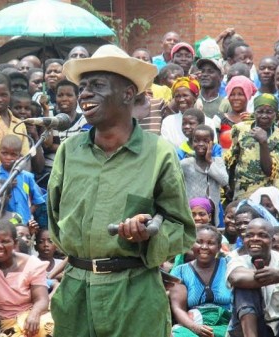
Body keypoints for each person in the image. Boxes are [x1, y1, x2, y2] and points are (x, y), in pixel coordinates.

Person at [48, 44, 195, 336]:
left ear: (128, 94)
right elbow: (54, 219)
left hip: (135, 294)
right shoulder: (69, 151)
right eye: (83, 87)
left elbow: (182, 229)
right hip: (76, 294)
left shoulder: (159, 153)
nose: (85, 94)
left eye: (97, 85)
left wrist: (150, 234)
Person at [0, 220, 53, 337]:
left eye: (5, 241)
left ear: (15, 243)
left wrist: (35, 314)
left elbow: (42, 299)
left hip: (31, 318)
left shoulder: (32, 264)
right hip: (4, 322)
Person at [169, 225, 232, 337]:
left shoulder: (229, 265)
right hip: (193, 325)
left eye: (211, 243)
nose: (204, 247)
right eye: (199, 242)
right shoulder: (181, 272)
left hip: (227, 325)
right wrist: (195, 328)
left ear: (218, 247)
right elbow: (178, 308)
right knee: (177, 333)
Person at [226, 94, 279, 201]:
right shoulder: (240, 129)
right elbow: (232, 159)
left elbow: (269, 171)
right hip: (242, 191)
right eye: (260, 111)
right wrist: (229, 186)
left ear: (276, 115)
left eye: (269, 112)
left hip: (268, 195)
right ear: (254, 112)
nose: (264, 116)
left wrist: (263, 142)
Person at [0, 135, 45, 224]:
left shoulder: (27, 177)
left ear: (20, 156)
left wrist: (27, 215)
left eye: (13, 154)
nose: (8, 157)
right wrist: (6, 187)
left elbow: (38, 200)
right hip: (2, 225)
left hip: (24, 224)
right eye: (4, 153)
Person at [181, 125, 228, 223]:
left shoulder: (217, 161)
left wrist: (210, 161)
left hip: (212, 215)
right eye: (196, 140)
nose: (200, 144)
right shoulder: (185, 164)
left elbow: (224, 181)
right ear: (192, 143)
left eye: (206, 141)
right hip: (193, 214)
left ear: (212, 143)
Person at [219, 75, 256, 149]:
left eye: (240, 94)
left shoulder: (254, 120)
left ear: (248, 95)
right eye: (232, 94)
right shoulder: (219, 119)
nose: (236, 98)